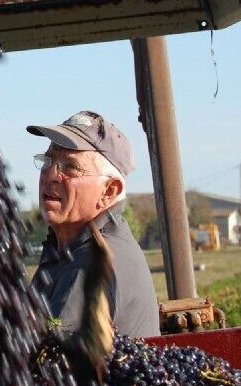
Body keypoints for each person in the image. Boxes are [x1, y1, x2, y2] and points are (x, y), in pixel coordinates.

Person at [27, 110, 160, 338]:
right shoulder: (67, 250)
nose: (50, 175)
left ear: (109, 191)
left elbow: (51, 354)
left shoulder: (91, 263)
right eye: (48, 161)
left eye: (70, 167)